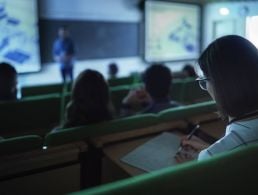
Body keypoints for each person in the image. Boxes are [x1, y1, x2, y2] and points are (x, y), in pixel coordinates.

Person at [176, 35, 258, 162]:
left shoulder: (212, 156)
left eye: (204, 81)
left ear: (220, 86)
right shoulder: (217, 153)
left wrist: (194, 168)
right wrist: (210, 149)